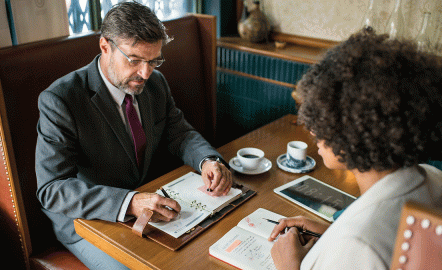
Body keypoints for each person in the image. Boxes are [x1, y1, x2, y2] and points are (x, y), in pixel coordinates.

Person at [35, 2, 232, 269]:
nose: (145, 73)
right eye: (134, 59)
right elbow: (52, 189)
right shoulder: (61, 99)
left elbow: (179, 133)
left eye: (153, 61)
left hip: (148, 203)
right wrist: (129, 202)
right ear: (105, 46)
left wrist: (208, 160)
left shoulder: (155, 83)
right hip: (89, 221)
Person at [269, 29, 442, 270]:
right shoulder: (432, 177)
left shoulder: (360, 242)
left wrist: (289, 266)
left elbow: (369, 244)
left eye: (322, 120)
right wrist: (333, 235)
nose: (312, 131)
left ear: (354, 131)